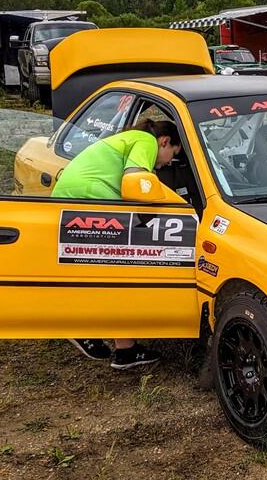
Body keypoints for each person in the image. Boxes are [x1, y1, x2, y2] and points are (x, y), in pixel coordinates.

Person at [52, 118, 182, 369]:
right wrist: (175, 206)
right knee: (118, 271)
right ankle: (81, 326)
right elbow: (135, 182)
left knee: (114, 272)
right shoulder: (146, 140)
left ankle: (126, 350)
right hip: (88, 198)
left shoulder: (130, 139)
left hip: (74, 199)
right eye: (172, 155)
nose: (168, 162)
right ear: (165, 141)